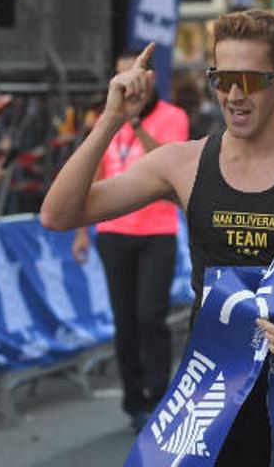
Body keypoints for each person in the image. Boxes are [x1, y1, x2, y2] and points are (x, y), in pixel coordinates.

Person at [42, 9, 274, 466]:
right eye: (222, 79)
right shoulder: (183, 164)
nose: (235, 95)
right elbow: (58, 214)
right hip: (211, 406)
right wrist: (110, 119)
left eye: (250, 79)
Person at [70, 51, 189, 432]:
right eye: (121, 77)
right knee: (125, 321)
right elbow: (91, 175)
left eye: (135, 75)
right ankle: (134, 401)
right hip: (113, 233)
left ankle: (160, 397)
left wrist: (135, 122)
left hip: (157, 232)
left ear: (151, 79)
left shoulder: (174, 117)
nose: (129, 84)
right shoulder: (105, 121)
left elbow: (170, 166)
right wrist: (79, 232)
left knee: (149, 315)